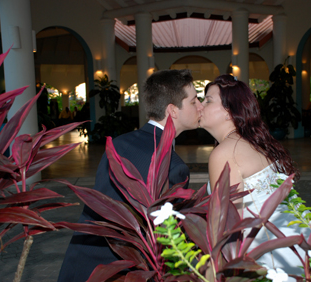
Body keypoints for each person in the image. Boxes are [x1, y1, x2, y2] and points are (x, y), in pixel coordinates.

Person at [57, 69, 203, 282]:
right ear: (173, 110)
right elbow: (166, 237)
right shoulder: (173, 167)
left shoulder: (117, 143)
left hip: (82, 261)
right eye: (194, 101)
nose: (200, 106)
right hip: (121, 271)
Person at [199, 74, 308, 279]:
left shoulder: (224, 153)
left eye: (208, 100)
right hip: (291, 240)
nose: (200, 105)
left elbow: (229, 224)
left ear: (229, 112)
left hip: (263, 254)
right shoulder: (254, 143)